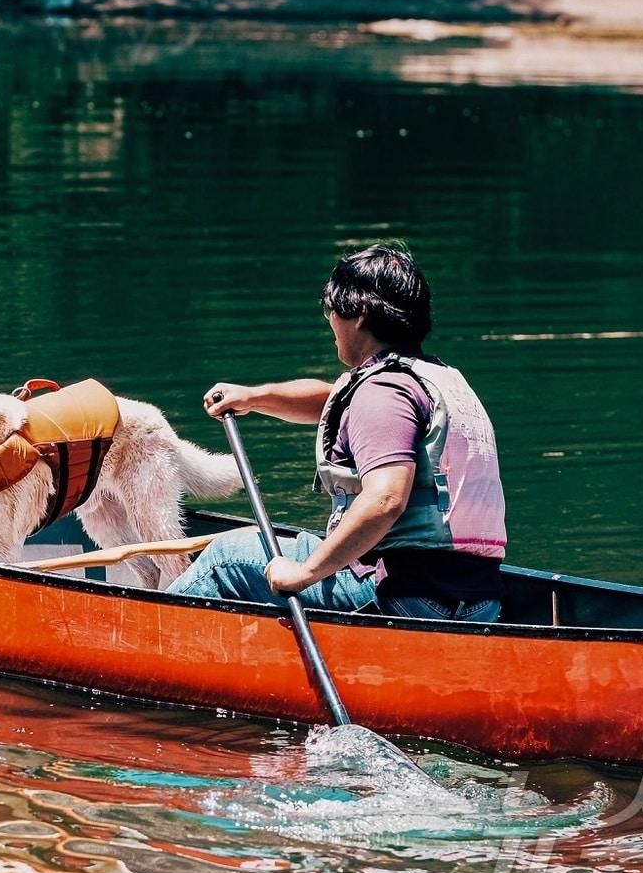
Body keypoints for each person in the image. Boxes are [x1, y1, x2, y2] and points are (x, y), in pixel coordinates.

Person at [166, 243, 507, 622]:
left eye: (331, 309)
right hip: (479, 603)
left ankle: (146, 640)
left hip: (406, 595)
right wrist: (254, 397)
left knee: (225, 559)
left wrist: (304, 573)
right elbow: (334, 402)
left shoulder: (383, 394)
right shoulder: (434, 380)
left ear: (358, 314)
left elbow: (385, 500)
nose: (330, 320)